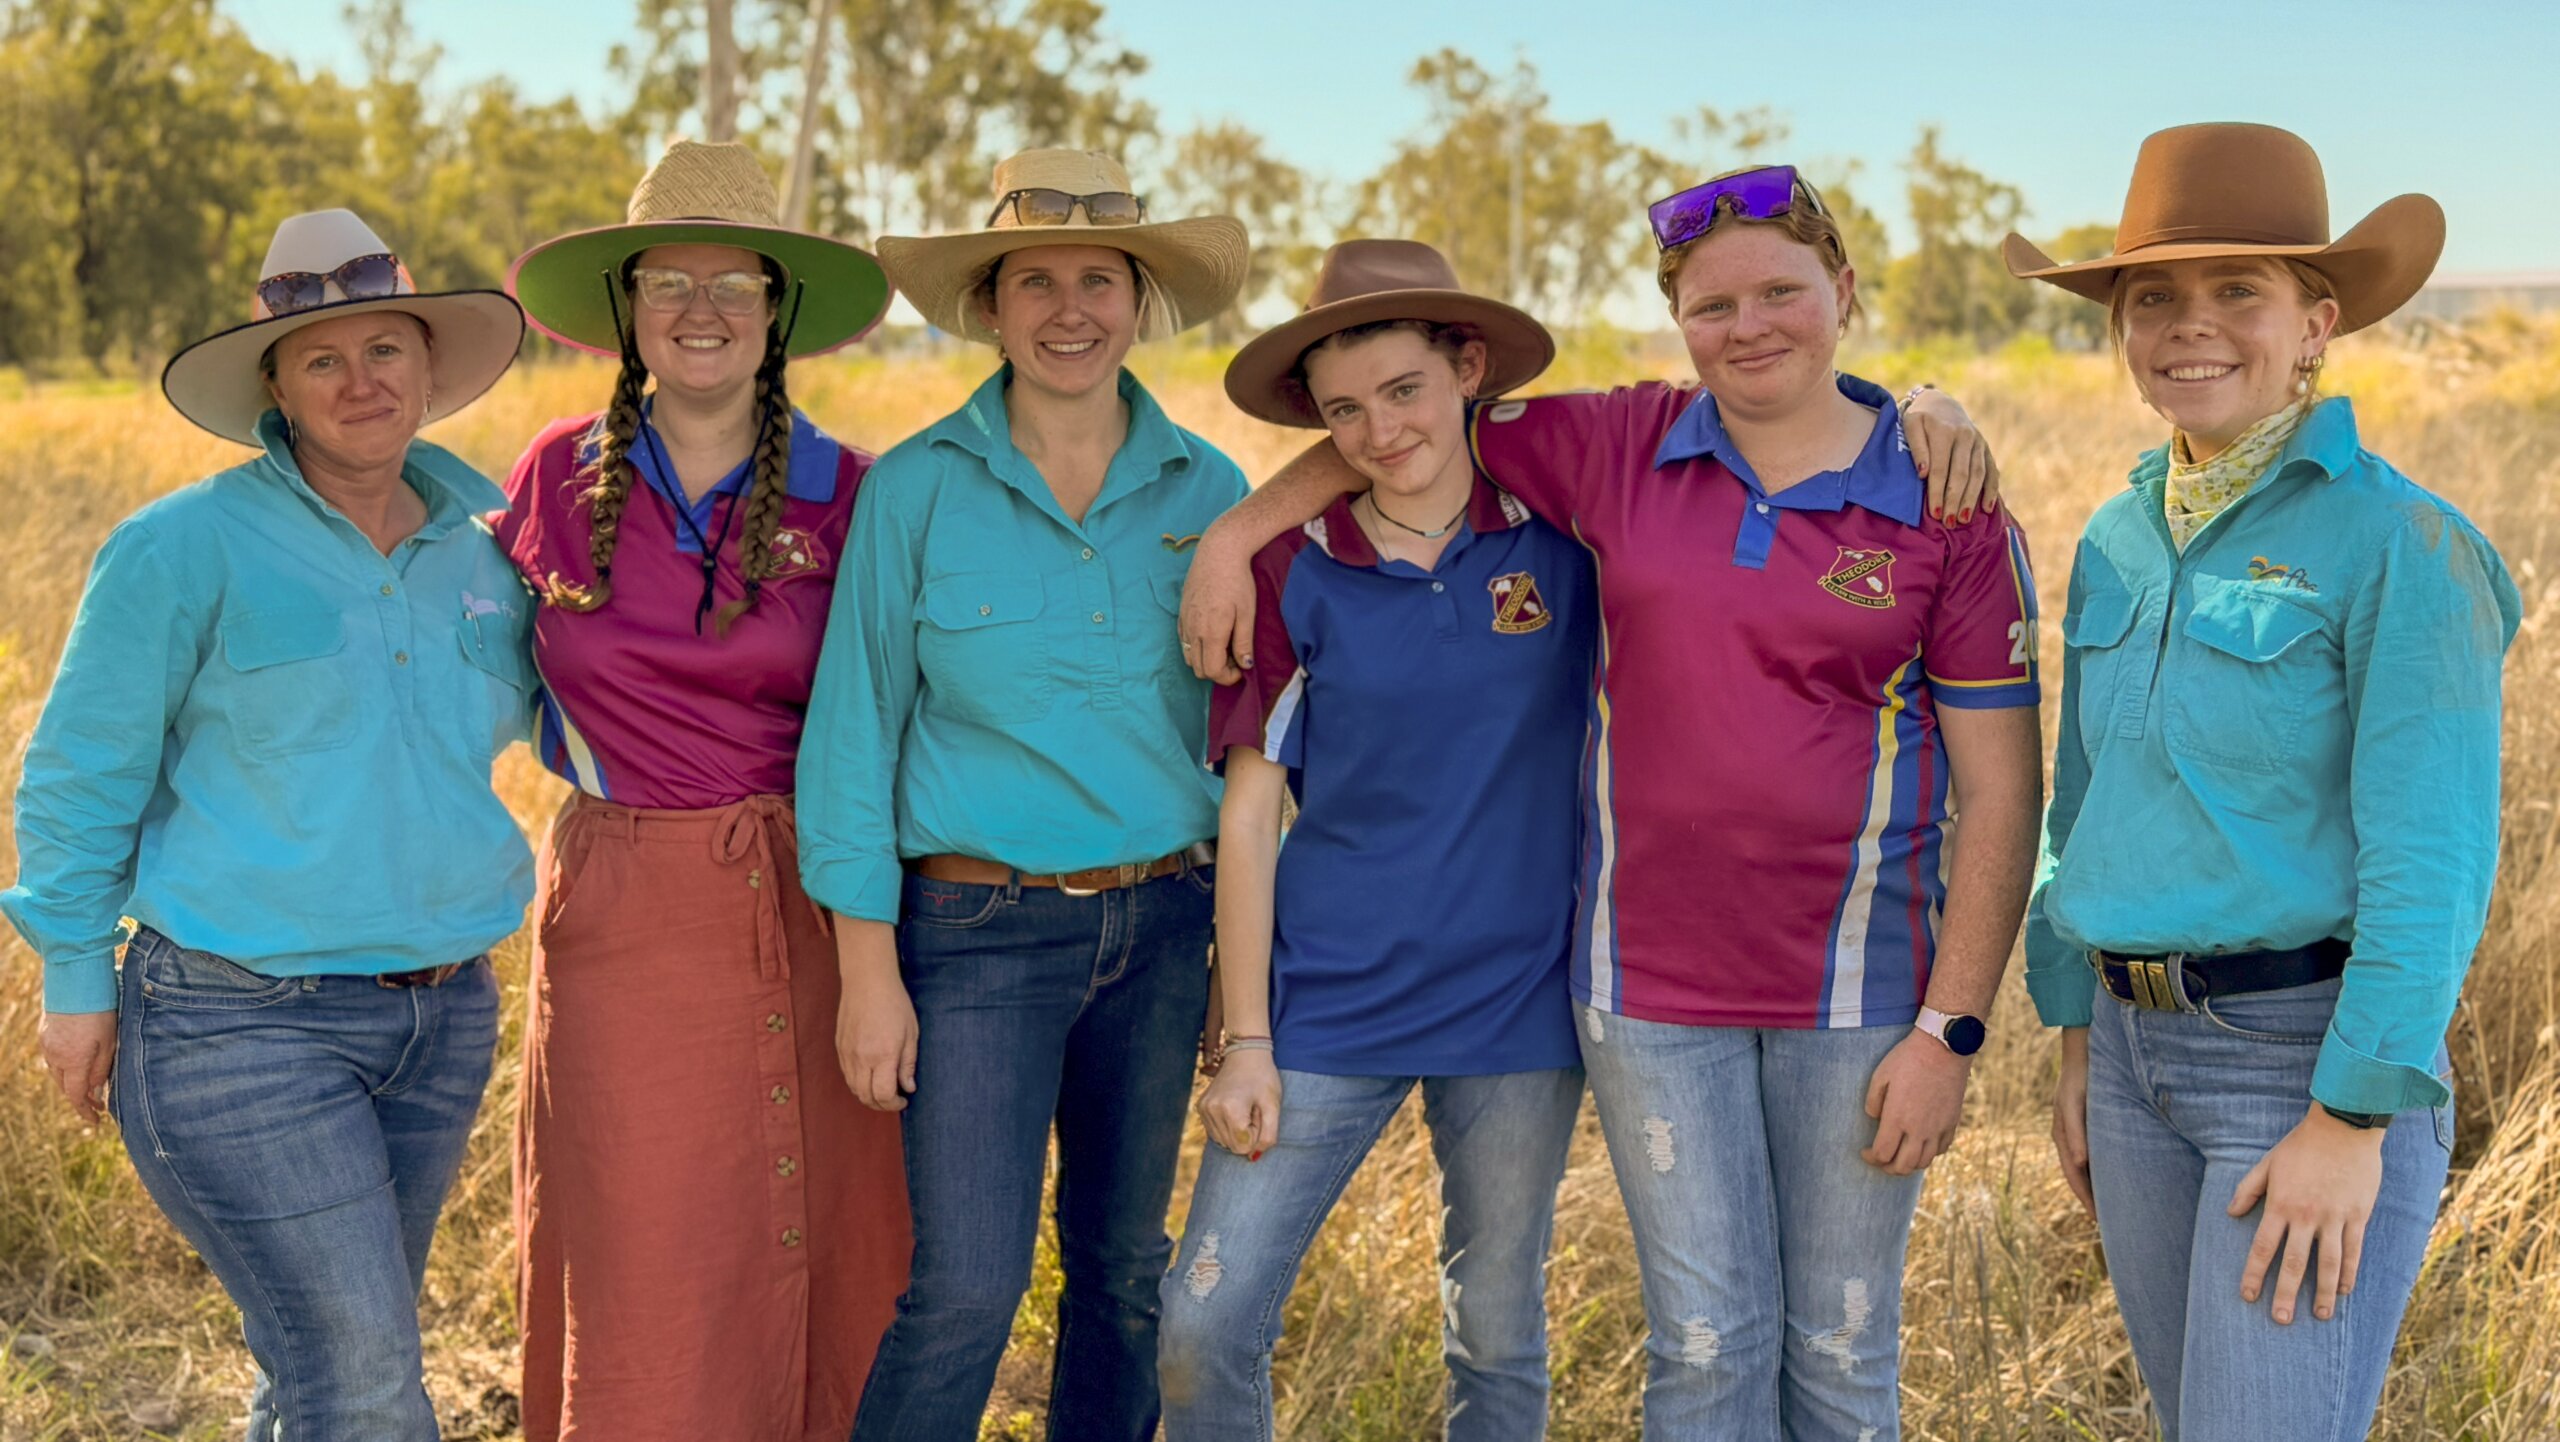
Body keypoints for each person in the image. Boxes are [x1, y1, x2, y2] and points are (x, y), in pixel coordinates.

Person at [1179, 166, 2044, 1441]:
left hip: (1854, 999)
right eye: (1711, 304)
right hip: (1643, 998)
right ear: (1676, 320)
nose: (1747, 325)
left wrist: (1952, 1028)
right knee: (1705, 1347)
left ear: (1845, 293)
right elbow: (1397, 437)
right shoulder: (1616, 446)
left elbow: (2003, 790)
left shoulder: (1946, 505)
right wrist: (1226, 535)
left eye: (1779, 293)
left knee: (1845, 1356)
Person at [2013, 122, 2519, 1442]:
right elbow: (2083, 806)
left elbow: (2436, 859)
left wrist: (2353, 1112)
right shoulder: (2120, 534)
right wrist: (2076, 1035)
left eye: (2240, 289)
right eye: (2153, 298)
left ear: (2317, 323)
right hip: (2129, 1061)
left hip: (2298, 1063)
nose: (2193, 326)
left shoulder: (2404, 542)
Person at [3, 209, 533, 1439]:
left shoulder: (494, 554)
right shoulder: (179, 547)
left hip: (441, 1015)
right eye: (322, 359)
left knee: (323, 1365)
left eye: (385, 349)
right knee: (365, 1382)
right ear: (277, 388)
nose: (360, 381)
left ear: (427, 366)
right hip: (237, 1024)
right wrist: (76, 981)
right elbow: (80, 773)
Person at [794, 147, 1248, 1441]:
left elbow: (1247, 747)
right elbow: (853, 734)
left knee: (1122, 1273)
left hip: (1164, 931)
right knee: (966, 1288)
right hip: (976, 939)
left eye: (1099, 279)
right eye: (1033, 279)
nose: (1069, 309)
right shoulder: (918, 489)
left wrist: (1237, 963)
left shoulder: (1210, 495)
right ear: (990, 305)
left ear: (1140, 299)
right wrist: (868, 969)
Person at [497, 138, 909, 1442]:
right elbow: (449, 656)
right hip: (624, 908)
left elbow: (888, 723)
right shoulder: (552, 482)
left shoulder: (852, 491)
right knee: (645, 1234)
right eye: (669, 279)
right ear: (625, 306)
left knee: (834, 1226)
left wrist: (874, 952)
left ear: (779, 309)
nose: (702, 309)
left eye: (736, 282)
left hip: (816, 889)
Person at [1154, 239, 1592, 1439]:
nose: (1378, 429)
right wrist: (1246, 1038)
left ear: (1467, 370)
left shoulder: (1567, 543)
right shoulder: (1296, 569)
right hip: (1323, 1004)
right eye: (1342, 410)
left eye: (1403, 390)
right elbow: (1248, 813)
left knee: (1498, 1332)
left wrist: (1908, 403)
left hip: (1520, 1006)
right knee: (1202, 1323)